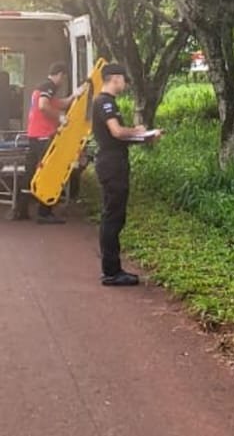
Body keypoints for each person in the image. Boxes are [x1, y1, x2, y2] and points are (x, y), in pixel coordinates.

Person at [92, 62, 161, 287]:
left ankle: (113, 269)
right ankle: (111, 272)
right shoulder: (105, 103)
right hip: (112, 165)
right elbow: (117, 132)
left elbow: (118, 137)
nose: (125, 83)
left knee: (114, 216)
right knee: (112, 217)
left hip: (113, 162)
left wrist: (144, 137)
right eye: (123, 79)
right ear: (114, 78)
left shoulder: (107, 102)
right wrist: (139, 131)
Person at [11, 61, 79, 223]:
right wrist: (60, 117)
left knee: (30, 173)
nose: (62, 82)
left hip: (34, 134)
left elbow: (60, 103)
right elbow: (43, 106)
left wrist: (74, 96)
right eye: (63, 77)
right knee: (49, 170)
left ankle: (20, 210)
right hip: (43, 135)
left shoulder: (41, 87)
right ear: (60, 74)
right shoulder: (49, 86)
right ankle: (44, 211)